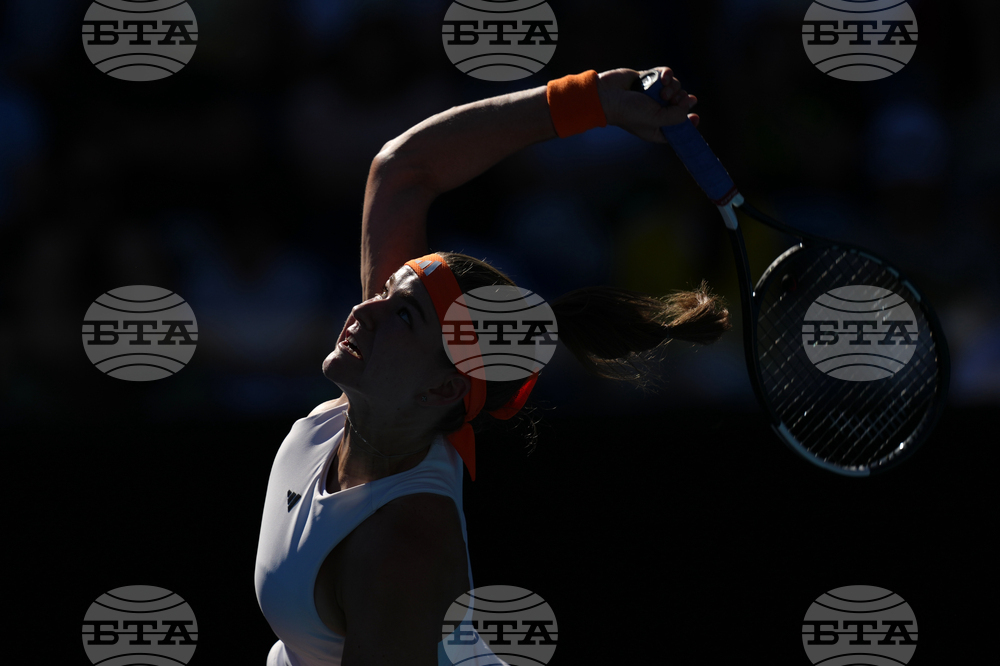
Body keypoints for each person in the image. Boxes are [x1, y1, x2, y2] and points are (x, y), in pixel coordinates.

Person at [254, 66, 731, 666]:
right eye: (385, 293)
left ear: (443, 385)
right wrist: (588, 101)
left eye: (403, 315)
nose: (365, 307)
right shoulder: (396, 384)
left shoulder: (402, 548)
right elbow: (403, 171)